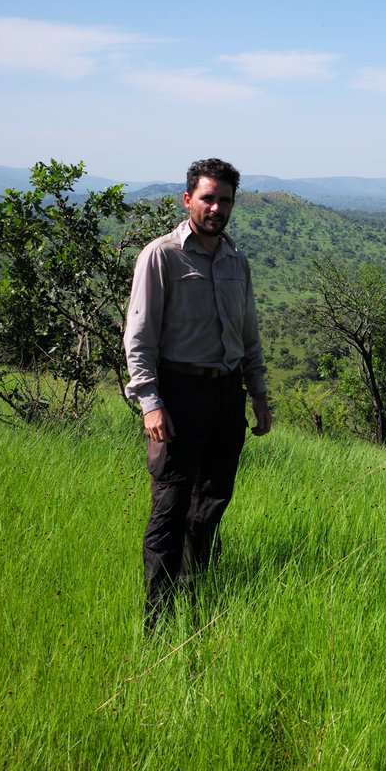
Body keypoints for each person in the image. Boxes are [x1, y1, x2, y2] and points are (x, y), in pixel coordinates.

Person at [124, 157, 272, 631]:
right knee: (169, 504)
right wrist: (150, 403)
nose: (216, 208)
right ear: (188, 200)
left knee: (212, 500)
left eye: (224, 200)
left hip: (227, 395)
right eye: (207, 198)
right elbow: (139, 336)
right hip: (179, 394)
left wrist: (259, 396)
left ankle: (195, 591)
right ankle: (157, 619)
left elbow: (249, 337)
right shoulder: (161, 256)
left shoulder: (236, 261)